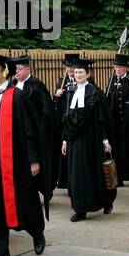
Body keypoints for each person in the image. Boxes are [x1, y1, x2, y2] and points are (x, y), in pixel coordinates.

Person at [0, 53, 45, 256]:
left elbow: (30, 130)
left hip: (16, 161)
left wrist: (33, 160)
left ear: (5, 71)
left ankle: (37, 233)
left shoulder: (17, 95)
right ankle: (1, 249)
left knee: (26, 201)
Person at [62, 57, 116, 221]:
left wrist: (105, 141)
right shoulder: (70, 91)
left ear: (88, 74)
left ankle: (106, 201)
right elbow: (66, 118)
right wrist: (65, 140)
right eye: (76, 72)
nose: (78, 75)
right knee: (76, 173)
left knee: (95, 172)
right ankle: (80, 209)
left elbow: (103, 119)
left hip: (91, 139)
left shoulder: (95, 93)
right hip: (74, 140)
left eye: (81, 72)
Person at [14, 54, 57, 220]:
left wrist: (41, 133)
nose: (16, 73)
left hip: (34, 135)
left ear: (28, 69)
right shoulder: (12, 85)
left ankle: (43, 191)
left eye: (19, 69)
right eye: (15, 70)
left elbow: (46, 113)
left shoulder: (36, 86)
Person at [105, 54, 129, 187]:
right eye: (116, 67)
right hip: (115, 121)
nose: (117, 69)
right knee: (116, 148)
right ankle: (119, 176)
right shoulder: (112, 80)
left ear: (126, 69)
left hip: (128, 120)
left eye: (120, 67)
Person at [52, 52, 80, 192]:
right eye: (67, 67)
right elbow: (57, 103)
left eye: (71, 67)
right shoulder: (62, 80)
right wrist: (57, 95)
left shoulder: (82, 80)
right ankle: (63, 180)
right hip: (64, 120)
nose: (69, 69)